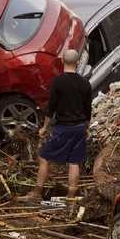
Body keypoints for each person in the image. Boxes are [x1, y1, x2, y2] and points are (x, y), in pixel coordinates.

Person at [28, 49, 92, 201]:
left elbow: (51, 109)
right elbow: (88, 109)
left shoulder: (58, 82)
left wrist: (44, 128)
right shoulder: (85, 83)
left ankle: (37, 192)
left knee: (44, 157)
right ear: (78, 63)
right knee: (74, 162)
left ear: (62, 61)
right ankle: (70, 196)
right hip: (79, 128)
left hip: (63, 128)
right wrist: (87, 128)